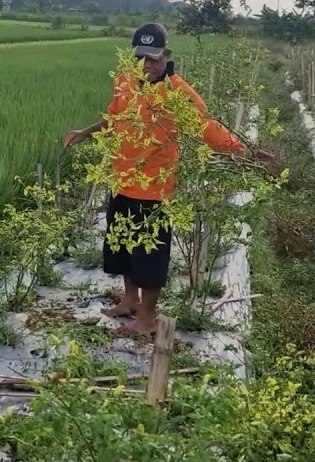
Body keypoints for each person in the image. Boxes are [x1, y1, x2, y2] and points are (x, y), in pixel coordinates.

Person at [64, 22, 249, 337]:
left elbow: (207, 127)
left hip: (155, 189)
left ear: (166, 55)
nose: (146, 64)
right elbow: (115, 116)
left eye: (153, 58)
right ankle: (129, 302)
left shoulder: (178, 92)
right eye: (141, 58)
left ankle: (147, 320)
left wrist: (240, 150)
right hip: (122, 179)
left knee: (148, 256)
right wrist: (85, 132)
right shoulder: (126, 81)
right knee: (121, 245)